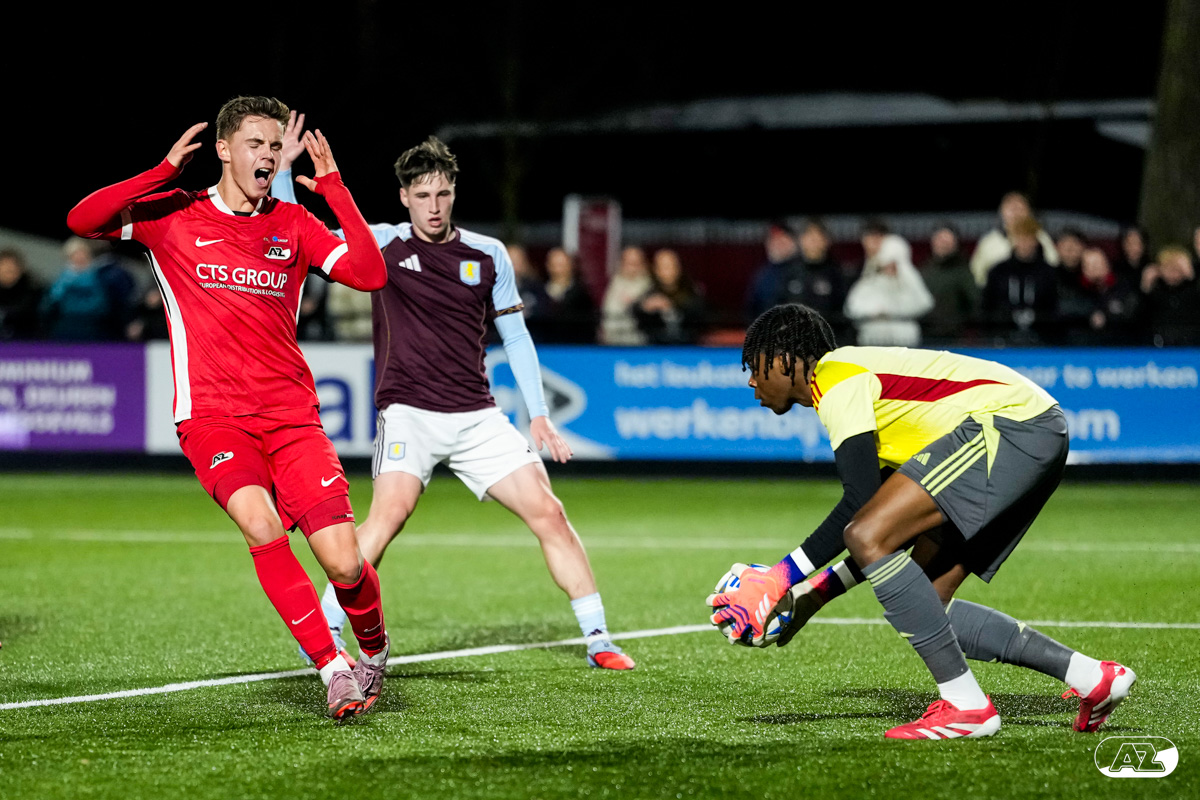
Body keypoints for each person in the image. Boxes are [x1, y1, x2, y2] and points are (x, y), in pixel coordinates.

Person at [66, 97, 391, 721]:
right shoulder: (173, 215)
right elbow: (83, 219)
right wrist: (161, 172)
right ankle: (332, 669)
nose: (268, 155)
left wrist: (335, 189)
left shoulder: (293, 223)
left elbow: (370, 275)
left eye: (275, 146)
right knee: (261, 527)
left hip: (292, 419)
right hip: (213, 419)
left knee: (345, 563)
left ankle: (374, 649)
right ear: (224, 149)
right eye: (255, 143)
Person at [272, 132, 635, 671]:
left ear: (454, 192)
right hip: (408, 413)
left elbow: (516, 336)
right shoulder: (381, 243)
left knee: (550, 513)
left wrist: (538, 414)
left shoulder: (489, 254)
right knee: (388, 517)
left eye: (442, 194)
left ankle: (599, 638)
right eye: (422, 195)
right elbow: (296, 235)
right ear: (404, 197)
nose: (434, 206)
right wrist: (283, 171)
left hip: (477, 417)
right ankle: (325, 632)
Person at [708, 304, 1137, 739]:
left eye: (755, 366)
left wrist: (780, 577)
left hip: (1009, 426)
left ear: (784, 360)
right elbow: (884, 529)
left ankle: (968, 708)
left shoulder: (834, 378)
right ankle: (1092, 677)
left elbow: (860, 511)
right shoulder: (861, 389)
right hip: (1029, 429)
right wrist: (812, 594)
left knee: (867, 534)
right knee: (926, 602)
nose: (751, 380)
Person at [844, 233, 933, 346]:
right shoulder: (870, 282)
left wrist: (895, 312)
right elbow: (851, 308)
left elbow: (925, 303)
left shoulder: (910, 282)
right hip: (873, 342)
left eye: (893, 265)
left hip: (905, 343)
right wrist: (875, 311)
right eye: (886, 264)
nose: (889, 269)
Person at [981, 216, 1059, 344]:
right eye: (1020, 238)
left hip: (1042, 342)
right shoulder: (998, 272)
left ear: (1036, 240)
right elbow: (987, 307)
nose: (1024, 243)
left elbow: (1054, 307)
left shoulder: (1048, 273)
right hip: (1002, 340)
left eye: (1028, 238)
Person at [39, 238, 135, 341]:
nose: (79, 257)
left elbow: (101, 303)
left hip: (93, 327)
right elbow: (52, 300)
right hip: (66, 326)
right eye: (75, 254)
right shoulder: (61, 280)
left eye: (82, 254)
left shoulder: (100, 277)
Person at [776, 219, 848, 339]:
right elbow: (777, 308)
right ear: (801, 240)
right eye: (809, 236)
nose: (814, 242)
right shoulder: (788, 272)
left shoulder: (836, 274)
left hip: (827, 340)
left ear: (826, 241)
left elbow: (842, 312)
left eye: (818, 237)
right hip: (794, 340)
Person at [970, 191, 1060, 287]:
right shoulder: (988, 242)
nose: (1016, 213)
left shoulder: (1041, 238)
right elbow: (977, 274)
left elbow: (1053, 265)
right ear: (1002, 212)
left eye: (1020, 208)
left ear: (1029, 212)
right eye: (1011, 209)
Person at [1060, 247, 1140, 345]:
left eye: (1097, 263)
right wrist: (1090, 314)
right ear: (1083, 269)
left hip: (1119, 346)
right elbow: (1065, 309)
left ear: (1107, 265)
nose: (1094, 268)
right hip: (1083, 346)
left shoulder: (1123, 286)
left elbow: (1133, 313)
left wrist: (1106, 317)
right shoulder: (1074, 287)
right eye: (1089, 265)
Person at [634, 248, 709, 344]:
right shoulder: (649, 296)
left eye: (670, 266)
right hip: (656, 349)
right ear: (656, 270)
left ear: (678, 268)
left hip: (687, 347)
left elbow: (699, 323)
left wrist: (671, 309)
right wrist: (644, 309)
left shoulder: (692, 293)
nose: (667, 272)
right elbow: (638, 319)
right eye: (662, 267)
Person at [919, 224, 979, 344]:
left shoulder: (963, 271)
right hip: (926, 335)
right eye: (940, 240)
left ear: (955, 244)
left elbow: (974, 302)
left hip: (955, 337)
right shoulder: (924, 271)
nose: (944, 244)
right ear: (933, 242)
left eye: (948, 241)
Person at [1141, 246, 1200, 346]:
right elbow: (1139, 318)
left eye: (1176, 268)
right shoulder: (1155, 292)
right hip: (1159, 347)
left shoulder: (1192, 290)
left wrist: (1192, 278)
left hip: (1191, 347)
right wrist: (1145, 287)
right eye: (1167, 267)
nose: (1172, 272)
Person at [744, 221, 800, 324]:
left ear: (793, 242)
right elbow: (751, 311)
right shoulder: (761, 275)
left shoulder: (805, 271)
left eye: (782, 240)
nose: (777, 244)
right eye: (773, 240)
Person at [600, 245, 653, 345]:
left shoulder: (650, 287)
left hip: (639, 345)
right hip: (611, 343)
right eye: (628, 262)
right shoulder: (615, 283)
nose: (631, 267)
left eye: (635, 263)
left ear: (643, 264)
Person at [0, 248, 43, 340]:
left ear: (20, 270)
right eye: (4, 265)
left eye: (12, 267)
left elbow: (25, 314)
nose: (8, 268)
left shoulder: (32, 290)